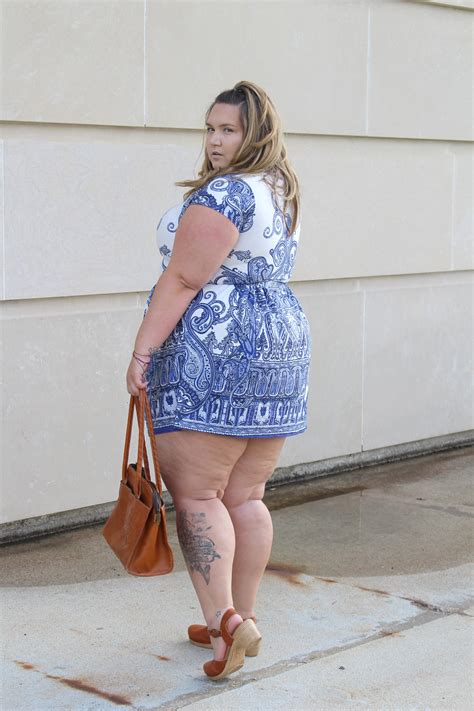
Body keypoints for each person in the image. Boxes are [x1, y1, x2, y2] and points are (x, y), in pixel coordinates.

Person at [126, 80, 311, 680]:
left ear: (257, 132)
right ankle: (239, 618)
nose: (214, 140)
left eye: (229, 129)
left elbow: (184, 279)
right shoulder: (281, 188)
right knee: (245, 496)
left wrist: (142, 352)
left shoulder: (227, 193)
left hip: (217, 352)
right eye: (210, 128)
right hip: (278, 351)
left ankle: (224, 624)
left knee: (199, 494)